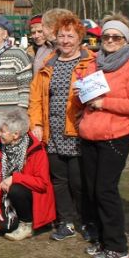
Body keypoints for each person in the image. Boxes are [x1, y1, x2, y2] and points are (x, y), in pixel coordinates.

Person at [79, 15, 129, 258]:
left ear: (125, 41)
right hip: (89, 134)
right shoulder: (94, 62)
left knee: (105, 190)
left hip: (113, 136)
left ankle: (117, 245)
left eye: (116, 37)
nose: (109, 41)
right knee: (91, 191)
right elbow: (85, 92)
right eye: (106, 36)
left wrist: (104, 103)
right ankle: (101, 239)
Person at [27, 14, 94, 241]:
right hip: (52, 130)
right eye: (61, 36)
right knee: (59, 180)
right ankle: (65, 221)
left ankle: (86, 220)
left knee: (78, 180)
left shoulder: (89, 63)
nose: (65, 41)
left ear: (79, 38)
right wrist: (35, 123)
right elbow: (35, 98)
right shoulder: (48, 64)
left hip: (76, 131)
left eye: (70, 36)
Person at [0, 109, 55, 240]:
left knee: (16, 189)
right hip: (6, 196)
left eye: (2, 131)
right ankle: (16, 217)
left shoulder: (36, 150)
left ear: (15, 134)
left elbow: (42, 183)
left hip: (30, 195)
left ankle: (27, 224)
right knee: (2, 226)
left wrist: (15, 178)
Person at [33, 8, 72, 75]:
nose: (42, 29)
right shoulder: (42, 49)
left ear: (52, 27)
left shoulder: (68, 50)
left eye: (43, 25)